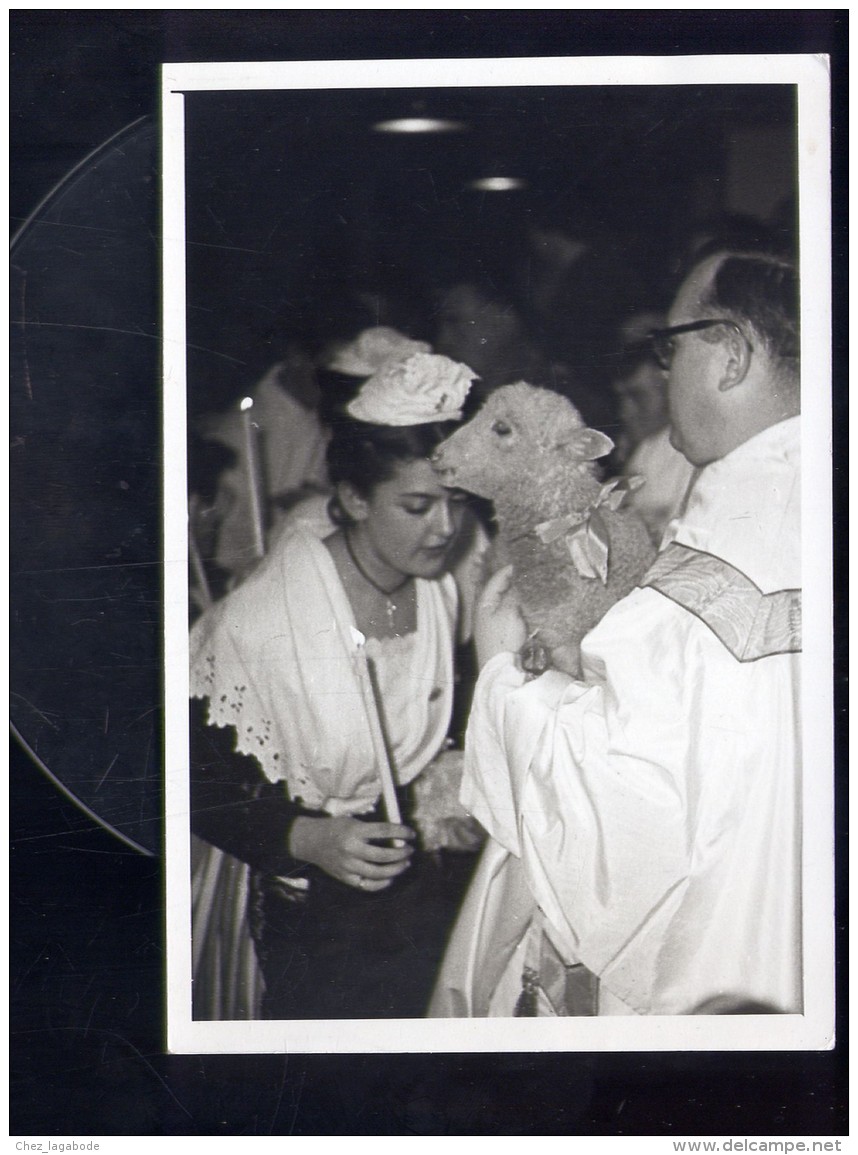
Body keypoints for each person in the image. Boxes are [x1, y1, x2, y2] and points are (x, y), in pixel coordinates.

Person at [429, 249, 802, 1017]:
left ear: (730, 355)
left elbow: (626, 817)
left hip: (693, 983)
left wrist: (500, 668)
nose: (663, 373)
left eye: (673, 348)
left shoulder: (731, 559)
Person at [190, 352, 484, 1021]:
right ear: (352, 498)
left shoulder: (437, 589)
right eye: (417, 505)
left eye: (457, 503)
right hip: (296, 905)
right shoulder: (266, 617)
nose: (445, 529)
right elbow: (182, 774)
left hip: (402, 903)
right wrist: (304, 836)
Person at [610, 311, 697, 544]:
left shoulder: (699, 447)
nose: (625, 412)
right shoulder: (647, 452)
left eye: (637, 397)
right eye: (622, 398)